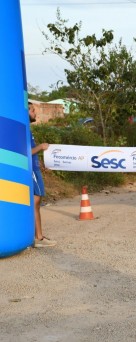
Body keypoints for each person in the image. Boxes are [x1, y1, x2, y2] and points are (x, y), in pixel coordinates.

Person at [29, 102, 56, 248]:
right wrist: (41, 147)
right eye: (33, 110)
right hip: (32, 171)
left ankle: (37, 236)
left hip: (35, 168)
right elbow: (25, 152)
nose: (35, 113)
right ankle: (38, 237)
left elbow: (31, 151)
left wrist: (40, 162)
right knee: (36, 202)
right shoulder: (24, 130)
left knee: (35, 203)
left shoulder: (27, 130)